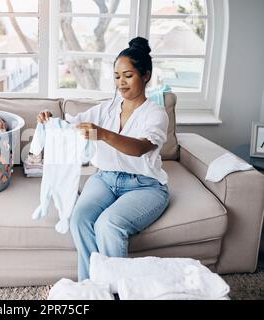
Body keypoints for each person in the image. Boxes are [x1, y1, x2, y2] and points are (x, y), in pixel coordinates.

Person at [36, 37, 170, 281]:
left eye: (128, 75)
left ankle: (115, 291)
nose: (121, 82)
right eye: (117, 76)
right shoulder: (106, 108)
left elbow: (140, 148)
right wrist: (50, 121)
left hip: (145, 186)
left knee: (108, 224)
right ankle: (92, 288)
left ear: (146, 75)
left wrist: (104, 134)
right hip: (105, 179)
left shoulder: (156, 113)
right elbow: (72, 126)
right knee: (80, 218)